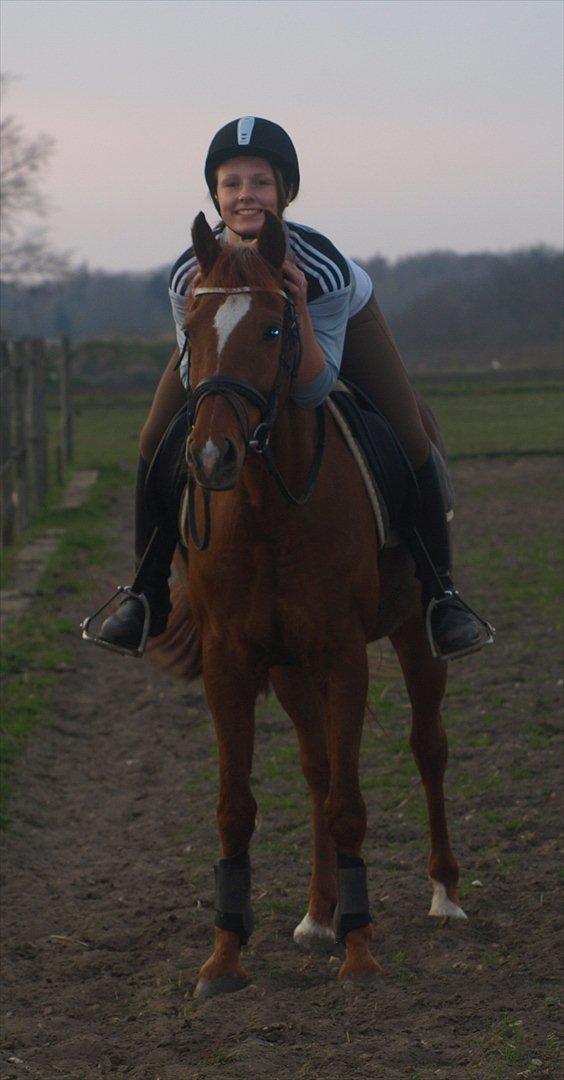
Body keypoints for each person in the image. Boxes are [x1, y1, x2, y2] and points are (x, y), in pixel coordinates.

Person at [98, 116, 491, 660]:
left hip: (334, 325)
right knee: (151, 438)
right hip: (227, 333)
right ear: (215, 193)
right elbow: (198, 370)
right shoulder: (189, 272)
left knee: (408, 430)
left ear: (285, 191)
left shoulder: (323, 269)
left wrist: (299, 308)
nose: (246, 196)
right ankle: (145, 594)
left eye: (260, 182)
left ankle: (440, 594)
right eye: (232, 183)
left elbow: (313, 388)